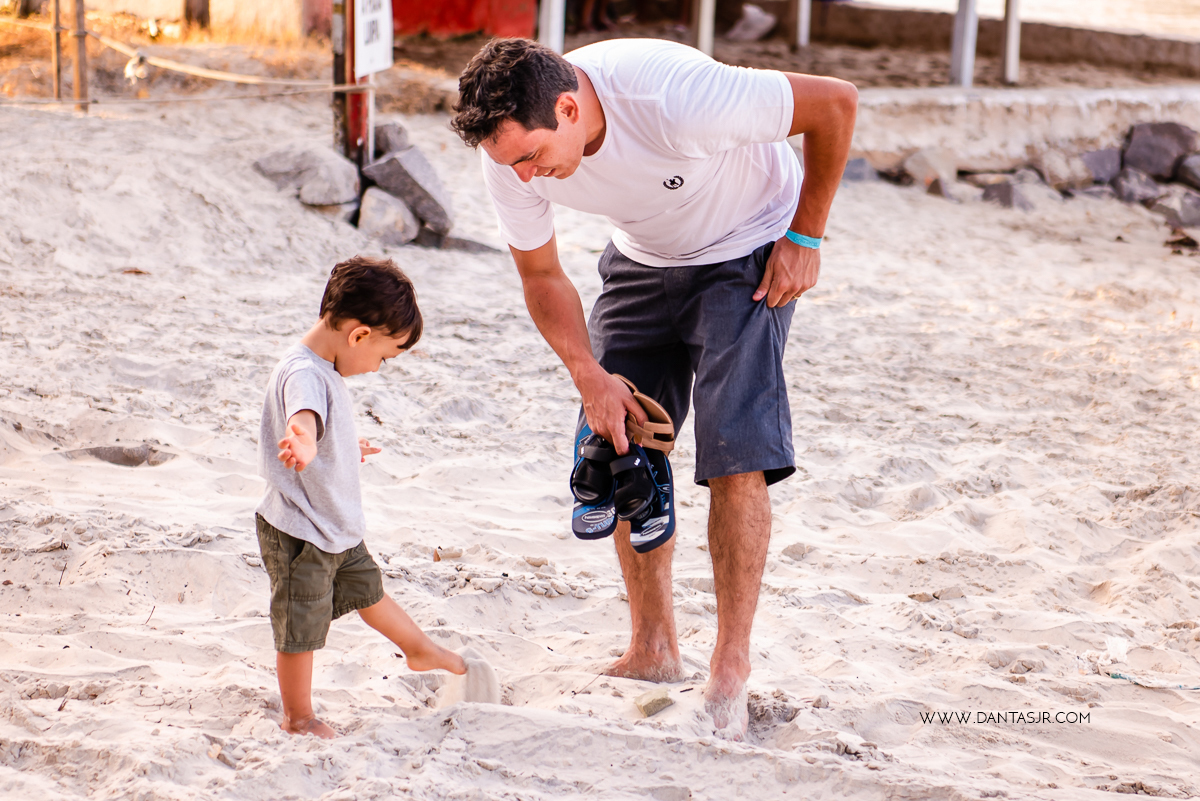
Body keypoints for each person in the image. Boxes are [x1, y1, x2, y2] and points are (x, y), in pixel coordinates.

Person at [451, 37, 856, 735]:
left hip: (748, 246)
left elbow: (835, 103)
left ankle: (730, 665)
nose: (522, 178)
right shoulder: (510, 156)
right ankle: (653, 646)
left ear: (571, 108)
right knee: (620, 440)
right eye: (507, 163)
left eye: (528, 158)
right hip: (644, 255)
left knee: (734, 449)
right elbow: (542, 278)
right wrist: (590, 378)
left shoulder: (674, 99)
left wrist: (807, 238)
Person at [256, 256, 467, 738]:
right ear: (358, 336)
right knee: (299, 625)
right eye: (384, 357)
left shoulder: (323, 367)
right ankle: (298, 716)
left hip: (333, 524)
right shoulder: (304, 374)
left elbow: (322, 422)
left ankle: (417, 648)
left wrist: (343, 444)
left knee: (369, 591)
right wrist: (305, 440)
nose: (377, 367)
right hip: (300, 531)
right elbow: (303, 416)